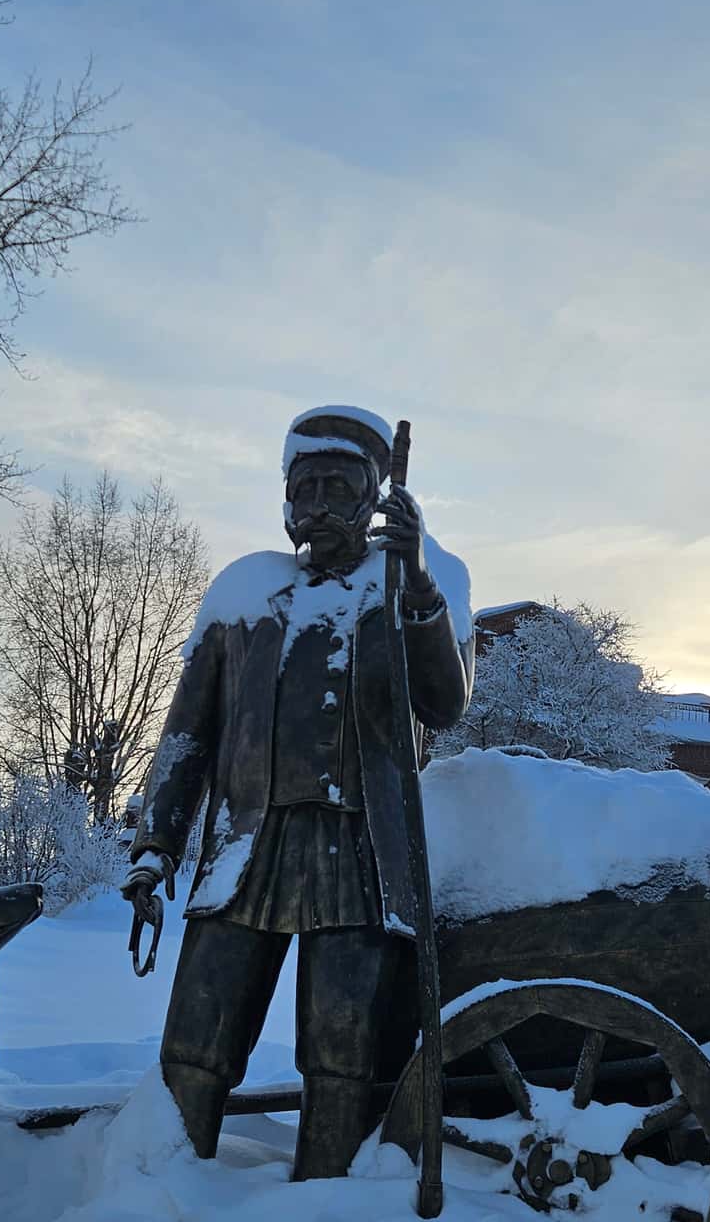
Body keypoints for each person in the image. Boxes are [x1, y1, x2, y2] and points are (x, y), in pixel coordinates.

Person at [124, 405, 473, 1178]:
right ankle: (159, 1188)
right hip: (247, 850)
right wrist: (156, 847)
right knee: (198, 1035)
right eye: (302, 487)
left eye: (336, 487)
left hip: (359, 854)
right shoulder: (243, 593)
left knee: (342, 1046)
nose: (315, 505)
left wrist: (416, 584)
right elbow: (187, 735)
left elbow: (445, 703)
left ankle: (326, 1199)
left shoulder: (418, 579)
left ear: (373, 493)